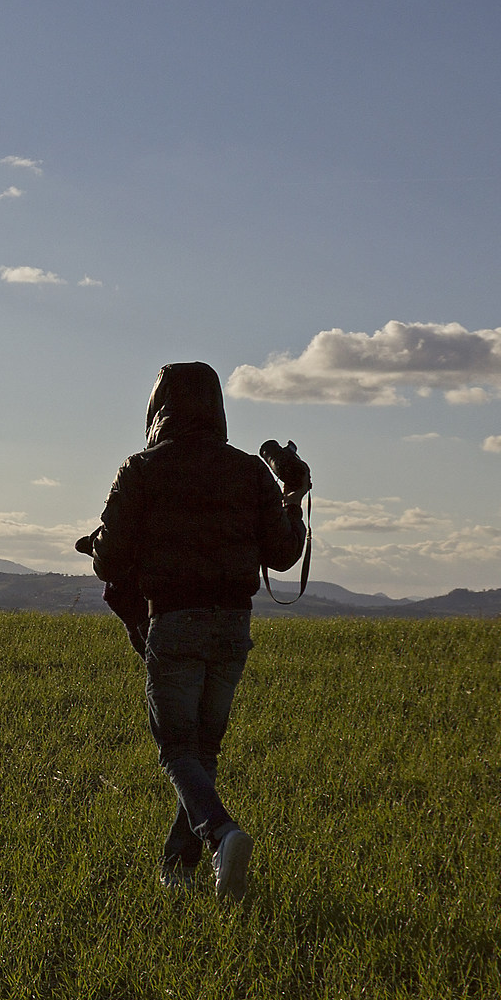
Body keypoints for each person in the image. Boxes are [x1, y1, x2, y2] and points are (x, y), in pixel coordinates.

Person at [81, 362, 308, 901]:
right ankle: (178, 869)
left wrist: (96, 547)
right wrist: (292, 498)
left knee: (176, 749)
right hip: (234, 625)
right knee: (202, 751)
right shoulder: (251, 472)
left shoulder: (140, 469)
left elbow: (111, 559)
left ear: (159, 408)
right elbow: (282, 553)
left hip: (175, 622)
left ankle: (222, 833)